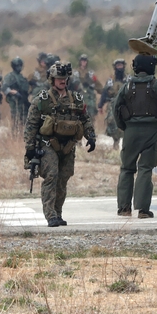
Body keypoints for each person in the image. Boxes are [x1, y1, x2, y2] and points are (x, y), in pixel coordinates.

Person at [24, 61, 96, 227]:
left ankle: (58, 212)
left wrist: (90, 136)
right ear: (52, 79)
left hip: (69, 146)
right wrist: (30, 149)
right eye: (58, 78)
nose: (62, 80)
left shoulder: (76, 99)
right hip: (47, 144)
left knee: (63, 179)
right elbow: (31, 125)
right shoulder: (42, 100)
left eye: (64, 77)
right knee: (52, 175)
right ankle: (50, 215)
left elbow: (85, 119)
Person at [112, 54, 157, 218]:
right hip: (151, 132)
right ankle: (142, 209)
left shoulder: (127, 86)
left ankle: (123, 208)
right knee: (145, 169)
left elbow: (116, 107)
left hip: (131, 131)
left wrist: (123, 126)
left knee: (126, 168)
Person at [99, 58, 128, 150]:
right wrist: (100, 105)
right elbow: (104, 93)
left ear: (124, 66)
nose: (119, 67)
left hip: (125, 104)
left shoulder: (128, 79)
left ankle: (126, 145)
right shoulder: (110, 80)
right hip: (113, 104)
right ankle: (116, 142)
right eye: (117, 65)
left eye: (121, 65)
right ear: (115, 67)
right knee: (112, 122)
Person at [2, 56, 30, 131]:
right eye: (17, 66)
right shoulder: (10, 76)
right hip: (16, 103)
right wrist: (13, 92)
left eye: (20, 65)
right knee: (16, 122)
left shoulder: (22, 77)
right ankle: (15, 136)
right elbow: (4, 87)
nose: (19, 67)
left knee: (25, 120)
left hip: (24, 102)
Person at [71, 53, 99, 120]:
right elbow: (71, 84)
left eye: (85, 61)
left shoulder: (91, 73)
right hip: (79, 96)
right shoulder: (75, 72)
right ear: (80, 62)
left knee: (91, 115)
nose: (84, 62)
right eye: (82, 60)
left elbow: (97, 84)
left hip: (89, 97)